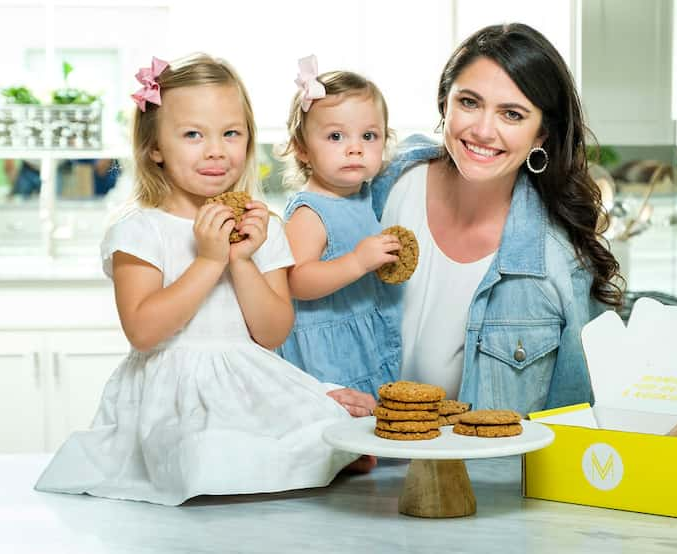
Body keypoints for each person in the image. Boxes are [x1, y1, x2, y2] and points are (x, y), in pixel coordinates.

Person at [35, 53, 369, 506]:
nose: (216, 150)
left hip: (246, 376)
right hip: (169, 390)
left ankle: (317, 455)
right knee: (204, 452)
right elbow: (144, 331)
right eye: (193, 134)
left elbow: (272, 333)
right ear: (155, 146)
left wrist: (243, 260)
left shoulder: (260, 224)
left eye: (230, 133)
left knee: (328, 434)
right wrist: (209, 261)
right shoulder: (141, 230)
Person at [365, 23, 623, 415]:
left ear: (541, 136)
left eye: (512, 114)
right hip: (353, 467)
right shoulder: (385, 186)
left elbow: (573, 425)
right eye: (469, 102)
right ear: (444, 103)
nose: (483, 130)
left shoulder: (558, 262)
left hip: (481, 477)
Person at [276, 56, 402, 398]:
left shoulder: (363, 196)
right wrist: (358, 262)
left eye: (369, 136)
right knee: (339, 434)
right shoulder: (309, 212)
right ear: (302, 149)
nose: (355, 148)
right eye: (335, 136)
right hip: (327, 354)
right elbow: (295, 280)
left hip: (365, 336)